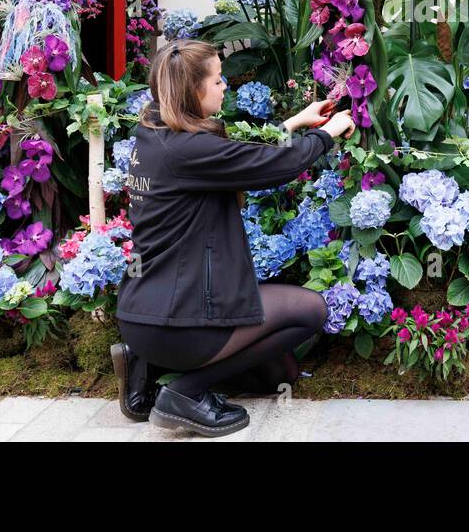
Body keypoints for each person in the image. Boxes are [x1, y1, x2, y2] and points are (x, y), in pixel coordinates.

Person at [109, 39, 356, 438]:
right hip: (176, 321)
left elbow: (233, 160)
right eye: (218, 80)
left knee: (280, 374)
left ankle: (146, 367)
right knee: (311, 311)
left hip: (146, 313)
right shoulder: (187, 149)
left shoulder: (156, 135)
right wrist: (327, 134)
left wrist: (293, 124)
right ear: (193, 89)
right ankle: (183, 394)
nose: (225, 87)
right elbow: (270, 166)